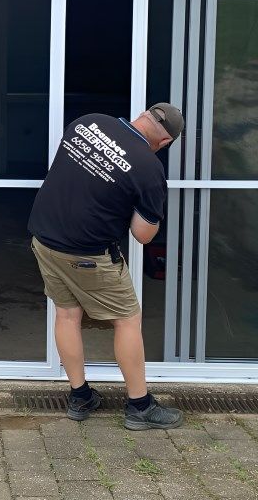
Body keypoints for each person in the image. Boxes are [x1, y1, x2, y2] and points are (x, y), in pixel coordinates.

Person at [28, 103, 185, 430]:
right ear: (166, 142)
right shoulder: (148, 167)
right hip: (88, 253)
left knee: (67, 315)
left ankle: (80, 396)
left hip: (44, 239)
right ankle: (140, 406)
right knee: (128, 320)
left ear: (143, 113)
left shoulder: (88, 121)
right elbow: (142, 234)